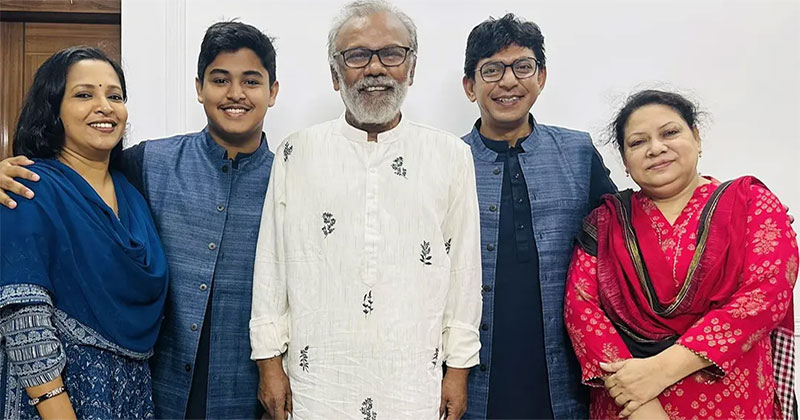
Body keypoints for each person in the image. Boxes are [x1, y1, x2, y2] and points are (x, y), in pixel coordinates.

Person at [0, 22, 279, 419]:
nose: (235, 93)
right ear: (199, 88)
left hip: (231, 397)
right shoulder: (149, 164)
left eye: (251, 81)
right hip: (152, 393)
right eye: (220, 80)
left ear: (273, 91)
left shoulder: (288, 181)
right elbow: (24, 303)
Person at [250, 1, 482, 419]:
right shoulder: (296, 153)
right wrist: (269, 364)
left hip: (413, 382)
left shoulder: (450, 155)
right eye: (357, 56)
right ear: (335, 74)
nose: (375, 68)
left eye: (391, 54)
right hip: (318, 383)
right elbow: (272, 264)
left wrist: (459, 370)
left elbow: (465, 271)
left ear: (411, 68)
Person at [564, 89, 798, 419]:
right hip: (629, 405)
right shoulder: (605, 223)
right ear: (625, 162)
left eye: (670, 132)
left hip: (733, 400)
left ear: (697, 138)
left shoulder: (750, 204)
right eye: (638, 142)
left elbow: (765, 295)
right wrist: (639, 402)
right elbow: (581, 308)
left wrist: (660, 370)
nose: (656, 148)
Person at [460, 13, 616, 419]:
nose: (508, 81)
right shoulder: (449, 159)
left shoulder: (577, 152)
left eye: (522, 67)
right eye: (492, 70)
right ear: (470, 86)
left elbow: (624, 236)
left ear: (541, 77)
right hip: (476, 372)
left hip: (564, 372)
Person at [0, 46, 169, 419]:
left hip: (131, 397)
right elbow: (24, 322)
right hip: (55, 402)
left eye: (115, 96)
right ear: (54, 110)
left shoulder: (133, 195)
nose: (105, 107)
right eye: (84, 95)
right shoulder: (29, 188)